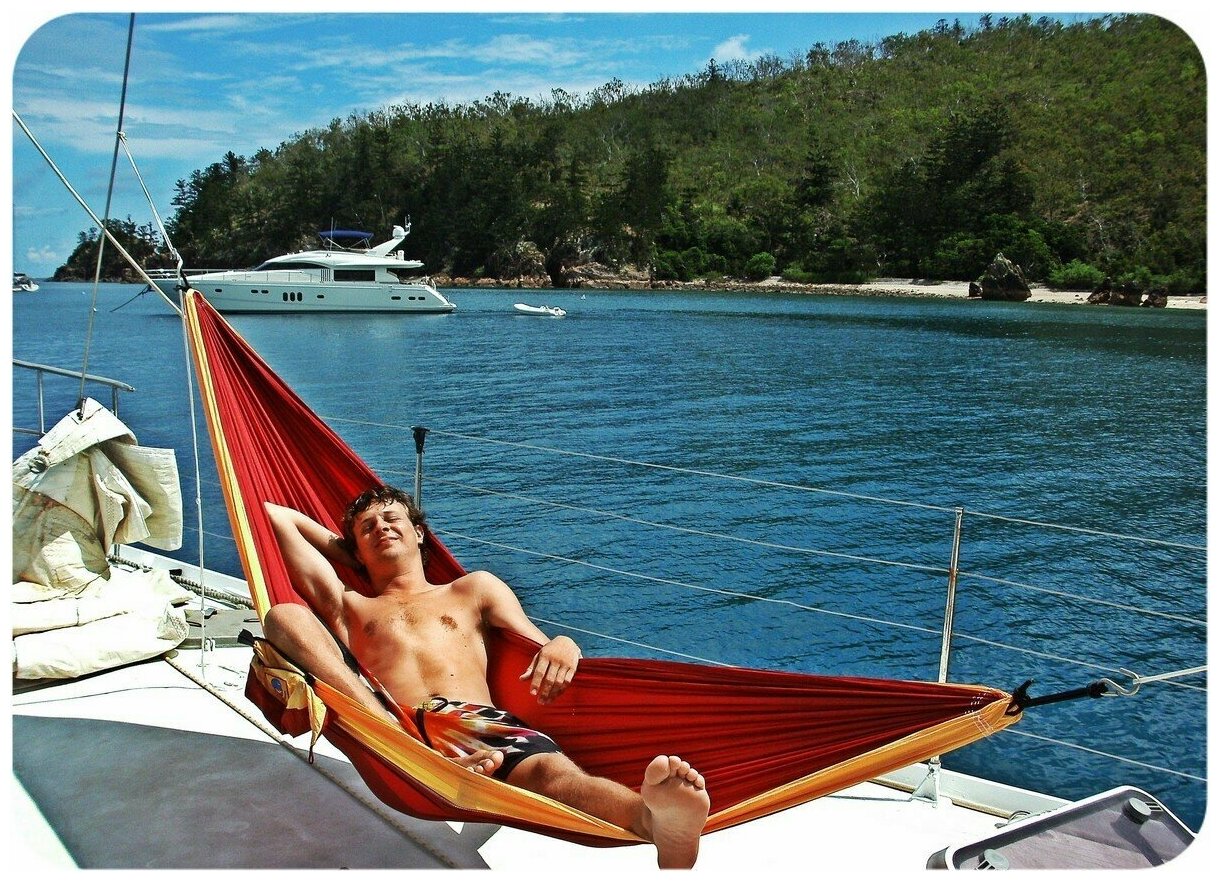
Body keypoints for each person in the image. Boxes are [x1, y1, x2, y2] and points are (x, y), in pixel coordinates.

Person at [262, 485, 710, 868]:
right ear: (354, 551)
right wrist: (347, 551)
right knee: (284, 616)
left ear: (420, 533)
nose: (381, 527)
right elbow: (275, 516)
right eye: (368, 527)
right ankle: (411, 748)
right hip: (393, 729)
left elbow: (537, 649)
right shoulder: (351, 605)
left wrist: (565, 642)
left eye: (392, 519)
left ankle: (653, 822)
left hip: (477, 724)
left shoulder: (472, 589)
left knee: (550, 772)